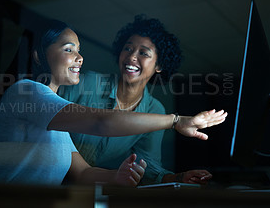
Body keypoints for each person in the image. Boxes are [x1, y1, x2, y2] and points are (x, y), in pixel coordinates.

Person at [0, 19, 227, 187]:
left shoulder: (56, 119)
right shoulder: (26, 92)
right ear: (38, 55)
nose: (80, 57)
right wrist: (176, 121)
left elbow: (83, 172)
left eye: (79, 50)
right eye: (69, 49)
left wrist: (118, 176)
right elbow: (100, 122)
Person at [59, 15, 216, 185]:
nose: (132, 56)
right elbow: (51, 127)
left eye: (143, 53)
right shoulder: (87, 83)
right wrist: (176, 121)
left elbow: (149, 167)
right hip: (46, 180)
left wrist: (178, 178)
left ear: (159, 66)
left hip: (90, 191)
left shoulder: (154, 110)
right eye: (127, 48)